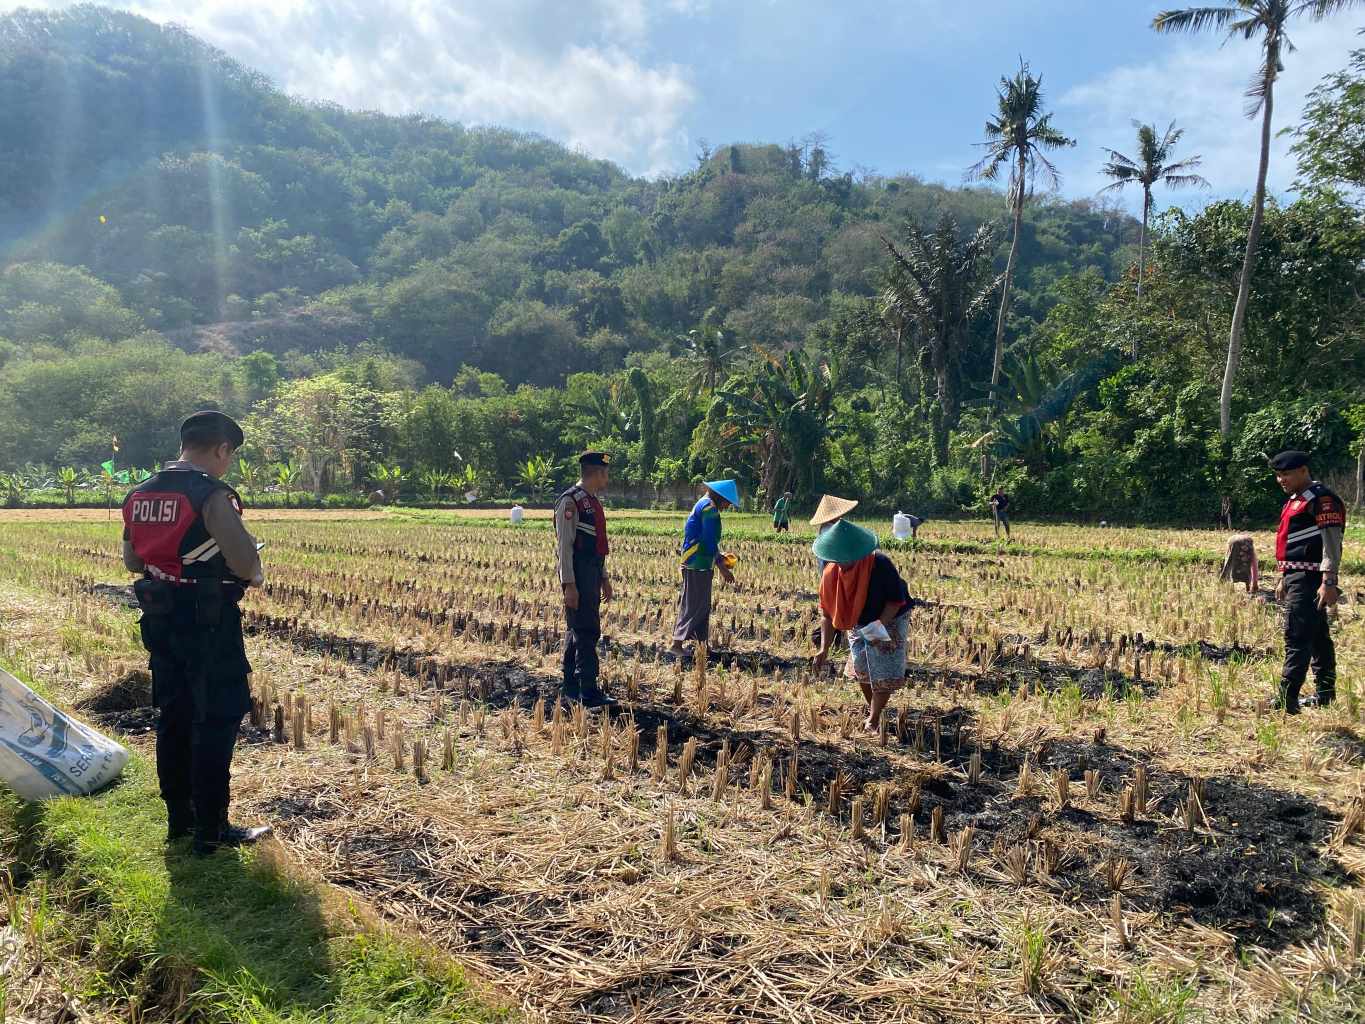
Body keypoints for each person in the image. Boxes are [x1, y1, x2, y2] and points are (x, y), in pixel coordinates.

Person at [122, 411, 270, 856]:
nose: (229, 463)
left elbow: (133, 561)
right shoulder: (211, 494)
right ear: (222, 448)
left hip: (160, 620)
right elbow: (246, 565)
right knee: (218, 716)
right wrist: (251, 563)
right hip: (208, 621)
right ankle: (212, 829)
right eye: (230, 455)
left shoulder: (140, 493)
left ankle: (179, 822)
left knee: (174, 716)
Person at [812, 520, 912, 732]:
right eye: (837, 557)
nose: (841, 563)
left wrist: (879, 626)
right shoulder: (830, 574)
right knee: (861, 666)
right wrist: (823, 649)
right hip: (857, 619)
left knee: (882, 668)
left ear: (857, 551)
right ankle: (874, 709)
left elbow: (895, 601)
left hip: (890, 617)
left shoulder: (880, 564)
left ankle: (874, 719)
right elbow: (827, 614)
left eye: (845, 557)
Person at [1269, 450, 1346, 714]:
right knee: (1317, 636)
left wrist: (1329, 581)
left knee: (1297, 635)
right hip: (1296, 576)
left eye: (1286, 474)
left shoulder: (1322, 500)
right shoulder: (1296, 499)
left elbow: (1331, 543)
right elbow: (1291, 544)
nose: (1281, 480)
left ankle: (1287, 698)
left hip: (1311, 578)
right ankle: (1325, 694)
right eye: (1278, 475)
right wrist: (1284, 577)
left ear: (1303, 471)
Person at [554, 452, 615, 707]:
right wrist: (569, 585)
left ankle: (570, 685)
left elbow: (596, 546)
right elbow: (564, 548)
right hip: (578, 575)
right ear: (597, 473)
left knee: (577, 628)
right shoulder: (570, 502)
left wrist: (604, 578)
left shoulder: (592, 501)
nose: (607, 478)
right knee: (587, 630)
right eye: (606, 473)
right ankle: (588, 690)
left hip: (592, 573)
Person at [671, 479, 738, 654]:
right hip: (697, 562)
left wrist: (719, 556)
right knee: (694, 605)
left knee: (702, 606)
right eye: (728, 502)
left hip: (699, 561)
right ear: (721, 497)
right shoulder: (709, 508)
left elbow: (707, 539)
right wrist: (722, 567)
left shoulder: (704, 503)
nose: (727, 506)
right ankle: (676, 645)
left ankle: (702, 646)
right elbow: (708, 539)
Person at [810, 494, 859, 573]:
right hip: (832, 572)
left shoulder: (824, 528)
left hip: (826, 571)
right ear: (834, 516)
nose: (841, 516)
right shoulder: (833, 530)